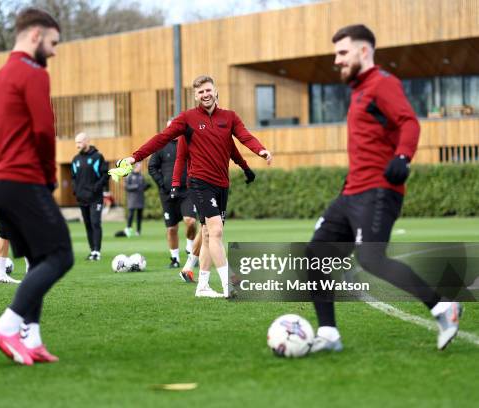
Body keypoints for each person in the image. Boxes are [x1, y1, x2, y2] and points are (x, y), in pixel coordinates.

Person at [308, 24, 462, 353]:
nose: (337, 60)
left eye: (342, 52)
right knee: (316, 255)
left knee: (371, 257)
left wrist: (403, 157)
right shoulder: (358, 90)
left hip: (379, 190)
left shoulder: (382, 84)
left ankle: (442, 308)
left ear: (364, 51)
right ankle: (329, 334)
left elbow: (409, 121)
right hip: (351, 193)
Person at [118, 75, 272, 298]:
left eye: (208, 90)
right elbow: (161, 138)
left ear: (215, 91)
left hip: (222, 184)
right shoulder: (187, 118)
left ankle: (202, 286)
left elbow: (244, 137)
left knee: (209, 235)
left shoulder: (229, 117)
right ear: (196, 96)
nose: (205, 95)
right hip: (199, 183)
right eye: (200, 92)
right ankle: (230, 285)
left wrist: (261, 150)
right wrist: (135, 157)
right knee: (216, 231)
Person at [0, 7, 72, 365]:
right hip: (24, 179)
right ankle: (7, 325)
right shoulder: (34, 73)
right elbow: (42, 130)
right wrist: (49, 176)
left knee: (39, 259)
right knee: (61, 256)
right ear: (35, 35)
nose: (53, 52)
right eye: (53, 43)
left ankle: (31, 338)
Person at [172, 133, 256, 285]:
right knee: (212, 231)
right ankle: (228, 277)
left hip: (219, 186)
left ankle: (190, 269)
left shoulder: (221, 129)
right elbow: (180, 158)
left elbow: (233, 151)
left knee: (206, 230)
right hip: (200, 186)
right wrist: (175, 184)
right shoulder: (191, 131)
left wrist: (246, 168)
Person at [148, 119, 198, 268]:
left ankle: (190, 248)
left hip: (187, 191)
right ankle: (175, 259)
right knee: (172, 228)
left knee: (191, 221)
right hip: (167, 193)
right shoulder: (161, 146)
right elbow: (152, 167)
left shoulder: (189, 144)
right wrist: (163, 184)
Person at [71, 132, 109, 261]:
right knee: (87, 224)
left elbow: (105, 175)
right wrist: (75, 190)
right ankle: (92, 250)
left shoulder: (98, 157)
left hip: (95, 197)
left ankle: (97, 252)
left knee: (95, 223)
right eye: (76, 142)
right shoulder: (75, 159)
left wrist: (95, 188)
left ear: (87, 141)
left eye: (80, 142)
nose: (77, 145)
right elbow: (74, 177)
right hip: (82, 198)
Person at [124, 163, 150, 236]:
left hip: (140, 198)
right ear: (135, 167)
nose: (140, 168)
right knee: (131, 215)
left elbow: (142, 187)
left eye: (141, 167)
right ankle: (128, 229)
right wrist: (135, 186)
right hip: (132, 198)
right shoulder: (129, 176)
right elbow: (126, 187)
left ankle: (138, 231)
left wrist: (146, 186)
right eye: (139, 167)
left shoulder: (141, 176)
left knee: (139, 216)